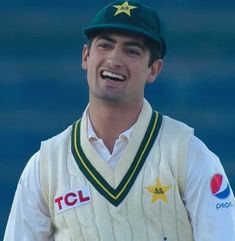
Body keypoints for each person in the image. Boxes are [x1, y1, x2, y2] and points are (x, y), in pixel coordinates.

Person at [4, 1, 235, 240]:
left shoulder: (188, 155)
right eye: (105, 45)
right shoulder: (45, 166)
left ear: (154, 70)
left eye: (131, 51)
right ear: (85, 56)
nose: (114, 59)